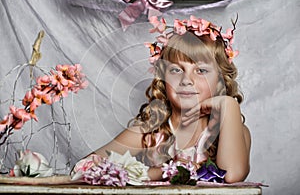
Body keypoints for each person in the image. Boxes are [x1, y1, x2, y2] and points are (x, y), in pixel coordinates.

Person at [72, 15, 251, 184]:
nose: (187, 80)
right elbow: (82, 169)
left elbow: (232, 175)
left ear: (220, 79)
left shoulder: (233, 130)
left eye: (201, 71)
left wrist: (229, 105)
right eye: (176, 70)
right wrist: (160, 173)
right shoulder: (149, 132)